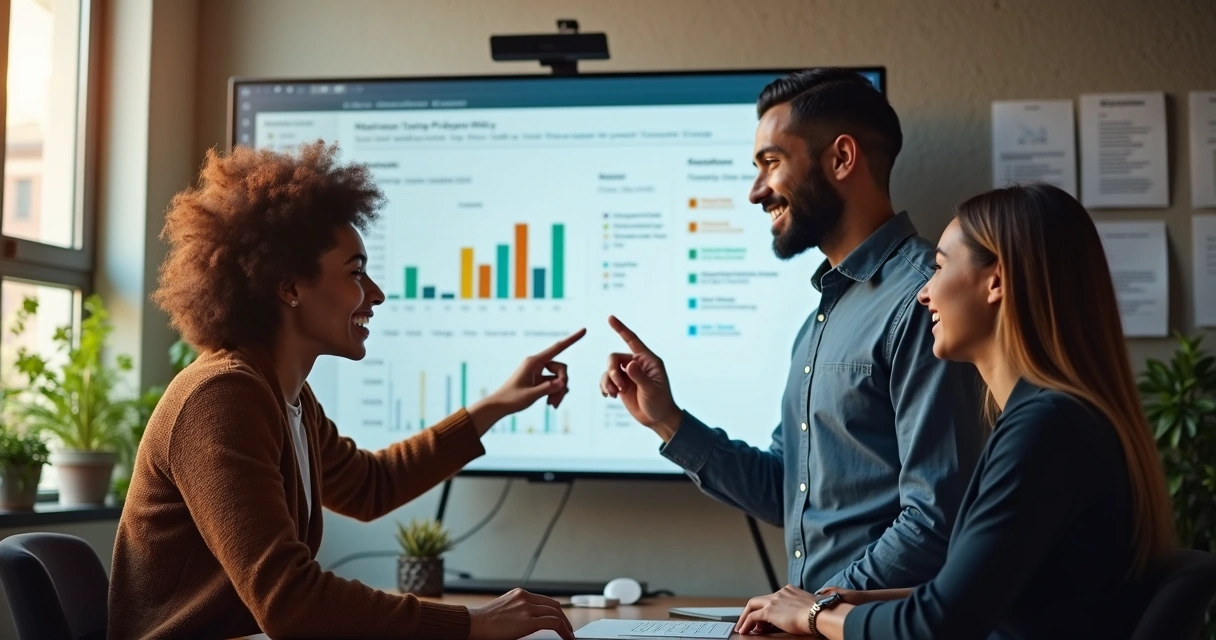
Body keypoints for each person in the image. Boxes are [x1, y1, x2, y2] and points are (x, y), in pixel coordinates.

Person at [109, 142, 581, 640]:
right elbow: (290, 603)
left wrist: (494, 405)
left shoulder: (284, 396)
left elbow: (370, 486)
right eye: (355, 272)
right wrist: (468, 624)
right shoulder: (222, 397)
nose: (375, 292)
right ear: (290, 286)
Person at [734, 183, 1176, 639]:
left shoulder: (1044, 430)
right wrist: (833, 601)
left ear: (996, 280)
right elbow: (958, 596)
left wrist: (812, 617)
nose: (925, 293)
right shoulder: (1052, 418)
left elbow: (936, 624)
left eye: (940, 267)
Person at [600, 68, 985, 592]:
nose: (756, 191)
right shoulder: (819, 321)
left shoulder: (923, 301)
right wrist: (667, 421)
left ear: (842, 159)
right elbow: (789, 491)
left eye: (771, 163)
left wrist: (813, 613)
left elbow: (935, 519)